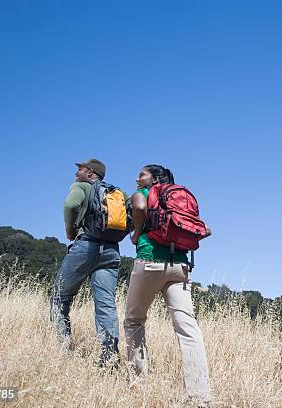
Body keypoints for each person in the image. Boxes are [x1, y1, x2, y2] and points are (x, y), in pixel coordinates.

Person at [124, 164, 211, 404]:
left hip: (150, 262)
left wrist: (137, 232)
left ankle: (138, 384)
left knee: (134, 320)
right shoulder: (178, 198)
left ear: (154, 179)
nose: (137, 178)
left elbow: (140, 207)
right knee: (188, 329)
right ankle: (199, 395)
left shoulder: (143, 194)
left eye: (142, 174)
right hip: (180, 266)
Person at [50, 159, 125, 367]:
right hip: (111, 251)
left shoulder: (81, 187)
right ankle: (109, 357)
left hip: (86, 247)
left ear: (91, 173)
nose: (76, 173)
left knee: (59, 297)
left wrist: (70, 230)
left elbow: (70, 204)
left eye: (80, 169)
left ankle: (61, 350)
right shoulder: (116, 193)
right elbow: (132, 217)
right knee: (106, 305)